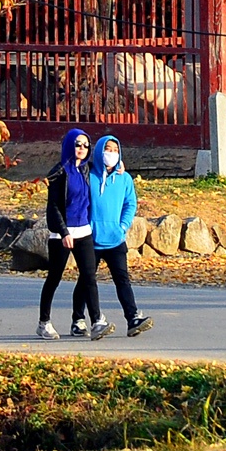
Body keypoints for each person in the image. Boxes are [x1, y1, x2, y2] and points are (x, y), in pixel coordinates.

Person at [39, 128, 107, 339]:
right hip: (62, 234)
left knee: (89, 276)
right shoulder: (58, 172)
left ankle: (96, 321)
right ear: (70, 145)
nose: (82, 149)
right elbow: (54, 207)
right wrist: (64, 231)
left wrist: (118, 167)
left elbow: (105, 171)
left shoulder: (87, 170)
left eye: (86, 145)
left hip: (84, 230)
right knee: (54, 278)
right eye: (78, 144)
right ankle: (44, 323)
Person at [87, 134, 152, 336]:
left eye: (115, 150)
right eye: (108, 149)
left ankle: (132, 318)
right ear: (99, 151)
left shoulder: (124, 178)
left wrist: (122, 226)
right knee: (86, 280)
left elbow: (130, 203)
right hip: (90, 238)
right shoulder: (88, 175)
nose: (111, 153)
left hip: (115, 239)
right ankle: (79, 319)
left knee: (122, 279)